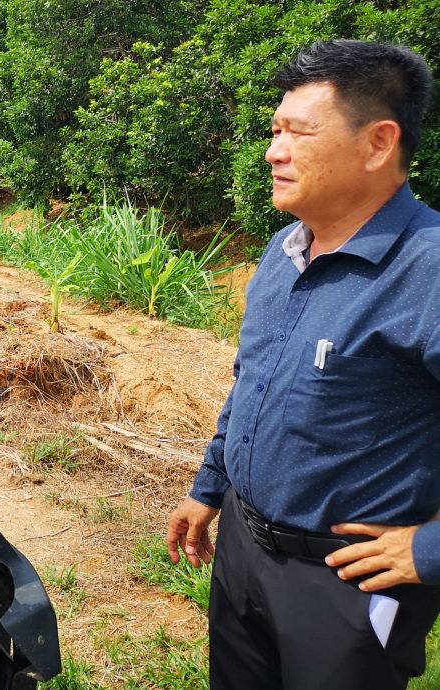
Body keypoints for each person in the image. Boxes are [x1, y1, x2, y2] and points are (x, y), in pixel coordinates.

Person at [167, 40, 440, 689]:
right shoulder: (282, 251)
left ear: (376, 144)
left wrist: (428, 550)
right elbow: (251, 383)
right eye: (273, 131)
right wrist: (208, 489)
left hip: (344, 584)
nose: (272, 151)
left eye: (296, 132)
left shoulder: (425, 269)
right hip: (240, 552)